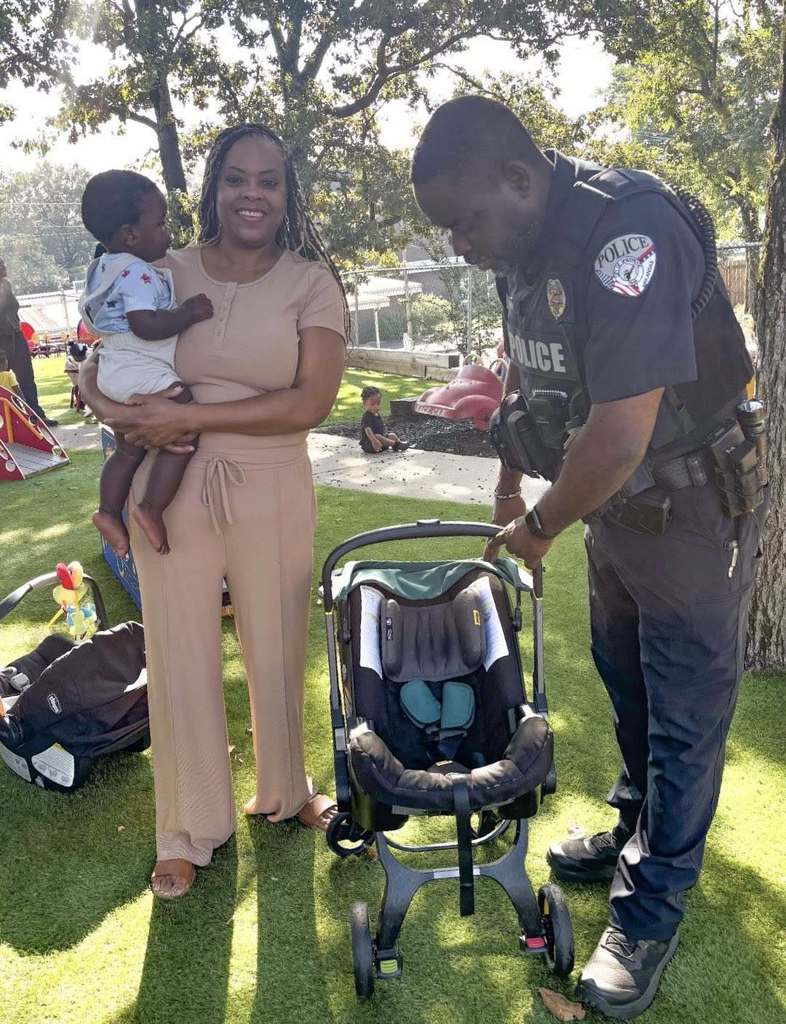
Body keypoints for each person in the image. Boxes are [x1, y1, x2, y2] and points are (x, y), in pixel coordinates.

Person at [412, 96, 764, 1020]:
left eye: (463, 222)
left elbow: (616, 435)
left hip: (686, 505)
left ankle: (650, 913)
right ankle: (635, 825)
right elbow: (523, 368)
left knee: (684, 708)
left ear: (518, 180)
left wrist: (537, 528)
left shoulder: (626, 232)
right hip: (614, 510)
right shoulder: (521, 240)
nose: (458, 244)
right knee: (626, 677)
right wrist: (503, 493)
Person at [79, 123, 349, 900]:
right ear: (214, 188)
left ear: (286, 192)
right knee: (178, 653)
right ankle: (188, 828)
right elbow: (105, 352)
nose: (253, 194)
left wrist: (193, 421)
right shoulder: (167, 264)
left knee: (276, 644)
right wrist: (106, 405)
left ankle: (287, 790)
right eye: (237, 178)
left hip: (271, 484)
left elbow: (313, 402)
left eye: (269, 179)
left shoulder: (310, 281)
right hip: (165, 493)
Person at [79, 169, 214, 556]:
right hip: (139, 363)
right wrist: (187, 313)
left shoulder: (102, 266)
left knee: (127, 450)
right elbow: (145, 324)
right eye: (161, 223)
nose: (168, 233)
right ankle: (151, 506)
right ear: (131, 235)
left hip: (114, 369)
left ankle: (107, 511)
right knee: (185, 417)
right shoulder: (137, 272)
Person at [0, 257, 58, 426]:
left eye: (3, 263)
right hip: (1, 341)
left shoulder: (6, 285)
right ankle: (9, 421)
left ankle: (36, 416)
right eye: (0, 265)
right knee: (3, 382)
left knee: (27, 379)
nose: (4, 267)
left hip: (16, 337)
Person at [359, 385, 408, 452]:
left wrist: (385, 438)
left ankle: (399, 445)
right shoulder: (367, 416)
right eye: (373, 404)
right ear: (364, 404)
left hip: (380, 443)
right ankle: (396, 444)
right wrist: (374, 441)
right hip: (370, 444)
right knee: (377, 436)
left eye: (378, 403)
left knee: (392, 435)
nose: (376, 407)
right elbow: (368, 430)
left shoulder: (377, 414)